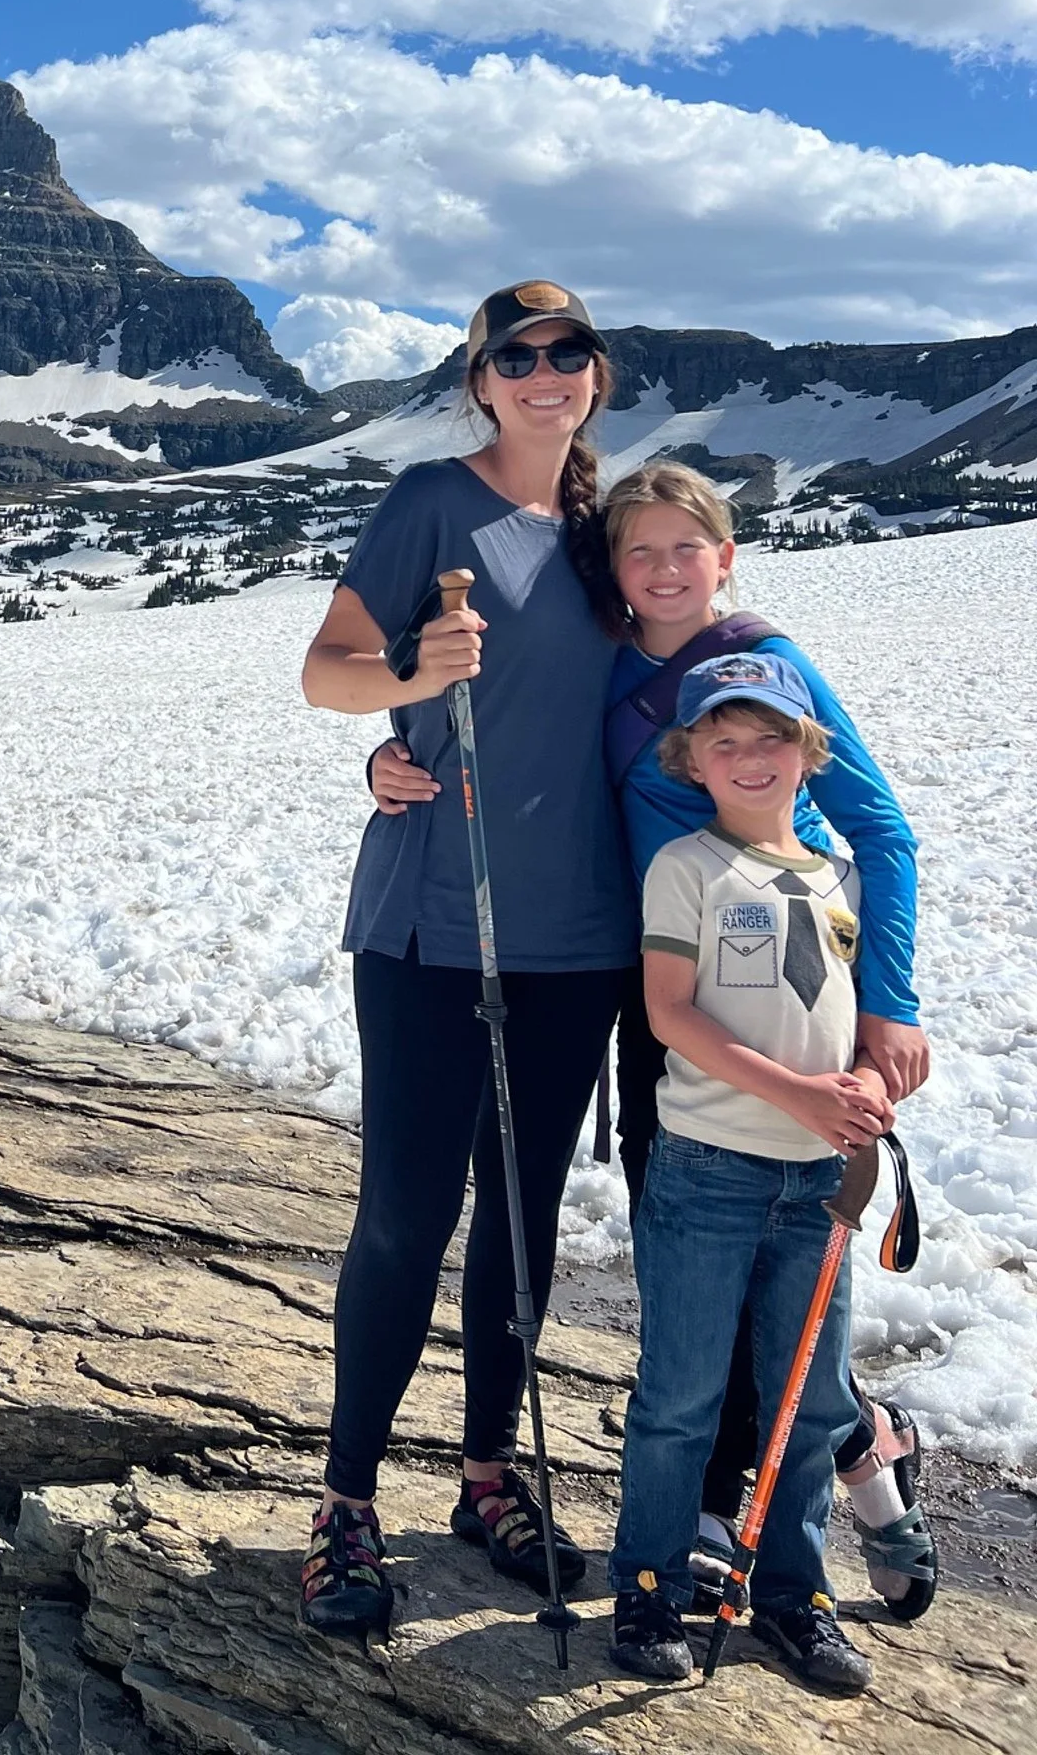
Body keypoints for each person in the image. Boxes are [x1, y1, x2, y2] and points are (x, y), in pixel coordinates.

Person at [297, 280, 636, 1641]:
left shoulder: (615, 535)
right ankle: (345, 1504)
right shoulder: (431, 504)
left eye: (569, 351)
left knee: (523, 1215)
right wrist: (408, 684)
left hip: (579, 937)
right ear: (481, 381)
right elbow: (325, 669)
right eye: (518, 355)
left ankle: (487, 1476)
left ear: (596, 375)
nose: (546, 372)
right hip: (434, 923)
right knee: (406, 1212)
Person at [602, 462, 937, 1621]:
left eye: (685, 547)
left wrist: (888, 1004)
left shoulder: (765, 663)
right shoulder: (606, 666)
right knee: (697, 1254)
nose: (664, 571)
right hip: (666, 991)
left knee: (783, 1257)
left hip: (783, 993)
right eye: (638, 550)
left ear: (726, 556)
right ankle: (828, 1452)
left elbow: (880, 831)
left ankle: (782, 1482)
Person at [607, 652, 891, 1695]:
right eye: (723, 741)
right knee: (682, 1392)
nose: (750, 757)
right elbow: (670, 1012)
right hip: (709, 1169)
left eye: (772, 737)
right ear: (692, 761)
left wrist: (865, 1087)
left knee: (808, 1402)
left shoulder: (842, 878)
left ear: (809, 753)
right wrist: (797, 1095)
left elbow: (857, 1019)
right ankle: (647, 1580)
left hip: (820, 1183)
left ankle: (792, 1594)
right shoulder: (686, 868)